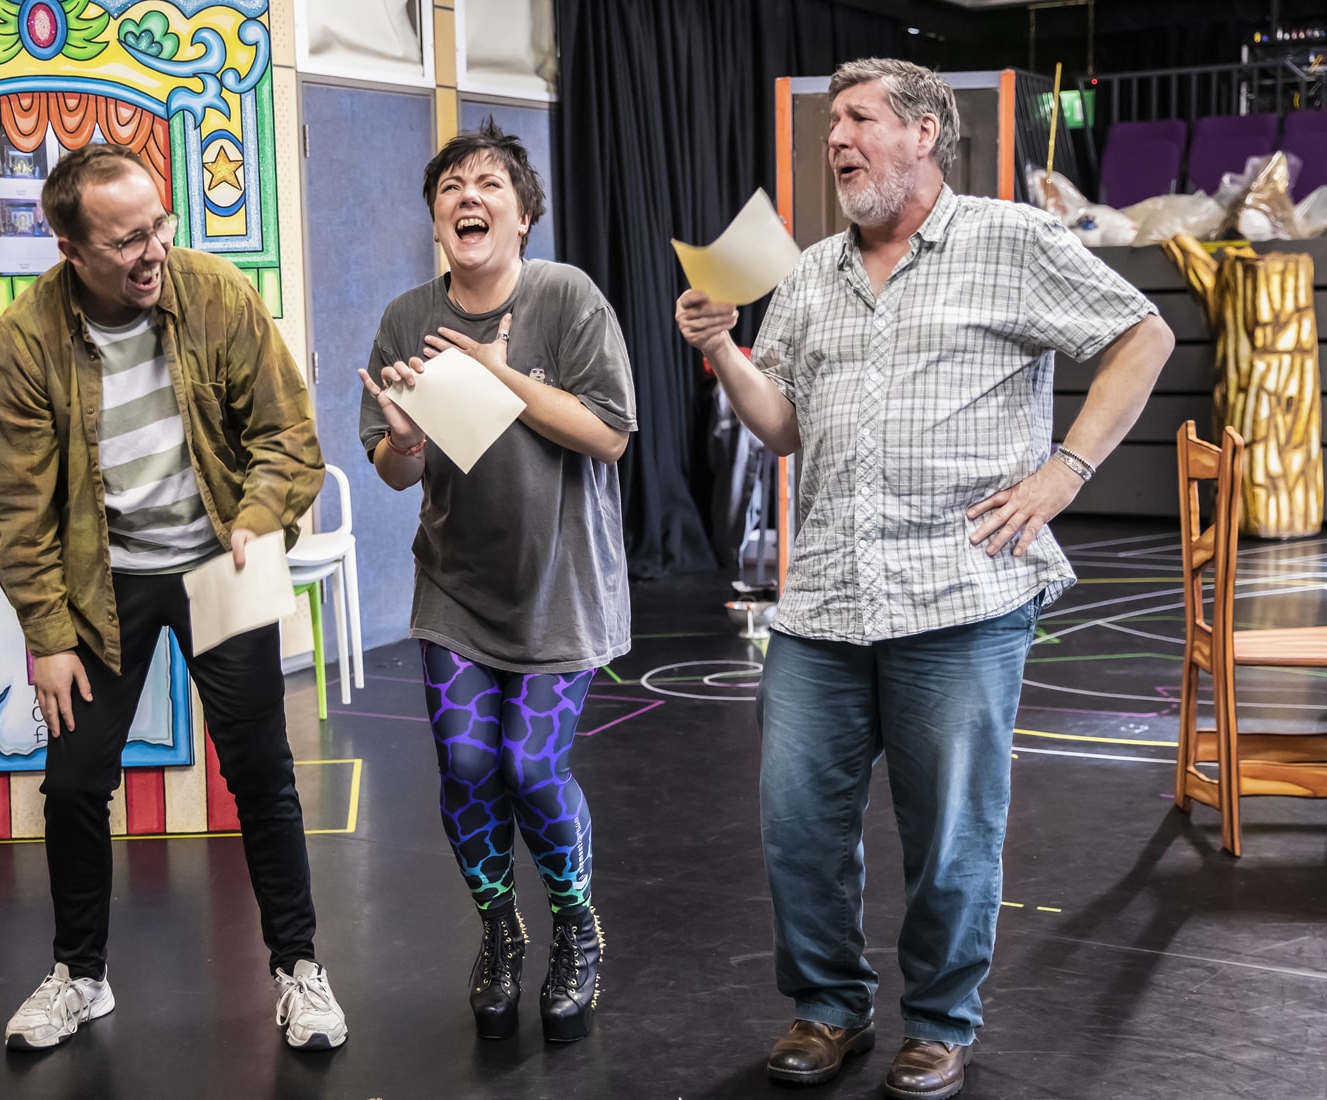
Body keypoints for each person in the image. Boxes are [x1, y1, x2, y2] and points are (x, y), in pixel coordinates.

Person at [676, 58, 1174, 1100]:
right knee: (797, 825)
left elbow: (1144, 333)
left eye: (859, 119)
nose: (836, 138)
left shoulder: (1011, 239)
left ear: (923, 134)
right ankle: (828, 1007)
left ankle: (940, 1024)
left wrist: (1064, 472)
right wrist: (724, 352)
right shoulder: (810, 273)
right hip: (823, 598)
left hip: (961, 595)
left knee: (950, 835)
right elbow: (784, 425)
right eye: (831, 124)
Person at [0, 143, 346, 1054]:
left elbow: (289, 435)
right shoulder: (25, 340)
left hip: (224, 561)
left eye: (160, 226)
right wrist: (47, 636)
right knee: (73, 782)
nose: (154, 252)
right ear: (71, 250)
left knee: (260, 774)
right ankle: (80, 976)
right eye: (127, 240)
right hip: (103, 581)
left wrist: (258, 518)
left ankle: (299, 969)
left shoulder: (217, 293)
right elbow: (20, 507)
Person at [357, 120, 635, 1043]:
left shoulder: (567, 297)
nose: (467, 197)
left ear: (522, 217)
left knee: (531, 767)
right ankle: (499, 931)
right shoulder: (406, 317)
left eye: (489, 186)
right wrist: (405, 439)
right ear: (436, 217)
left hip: (563, 583)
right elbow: (394, 468)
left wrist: (499, 375)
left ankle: (576, 926)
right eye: (451, 187)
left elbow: (608, 436)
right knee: (469, 767)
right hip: (456, 588)